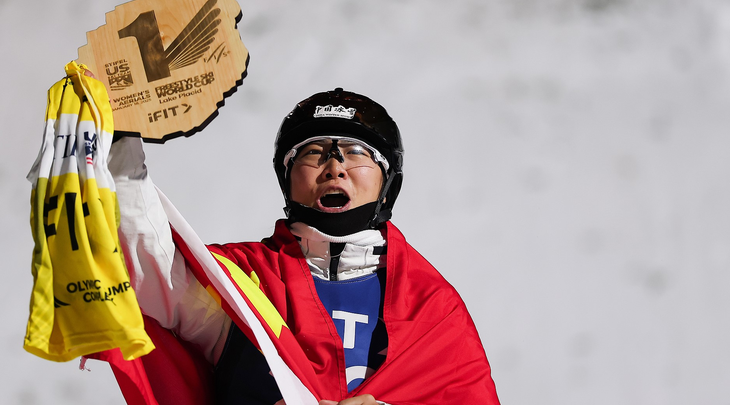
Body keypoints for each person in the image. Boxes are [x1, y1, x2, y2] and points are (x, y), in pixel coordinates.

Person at [107, 88, 500, 404]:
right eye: (313, 153)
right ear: (287, 178)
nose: (335, 166)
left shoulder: (431, 306)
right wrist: (114, 148)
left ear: (388, 183)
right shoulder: (242, 281)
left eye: (357, 152)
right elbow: (147, 264)